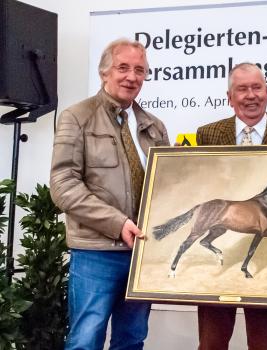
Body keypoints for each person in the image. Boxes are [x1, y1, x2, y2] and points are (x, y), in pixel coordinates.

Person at [50, 38, 170, 349]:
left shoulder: (154, 126)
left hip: (143, 253)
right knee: (85, 340)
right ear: (105, 72)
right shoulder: (77, 117)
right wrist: (116, 223)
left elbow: (167, 189)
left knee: (131, 340)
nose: (132, 76)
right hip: (96, 253)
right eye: (123, 68)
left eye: (140, 70)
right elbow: (63, 185)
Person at [196, 62, 267, 350]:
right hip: (221, 256)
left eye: (257, 88)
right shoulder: (206, 134)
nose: (250, 95)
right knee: (211, 343)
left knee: (264, 345)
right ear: (230, 97)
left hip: (263, 263)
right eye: (242, 89)